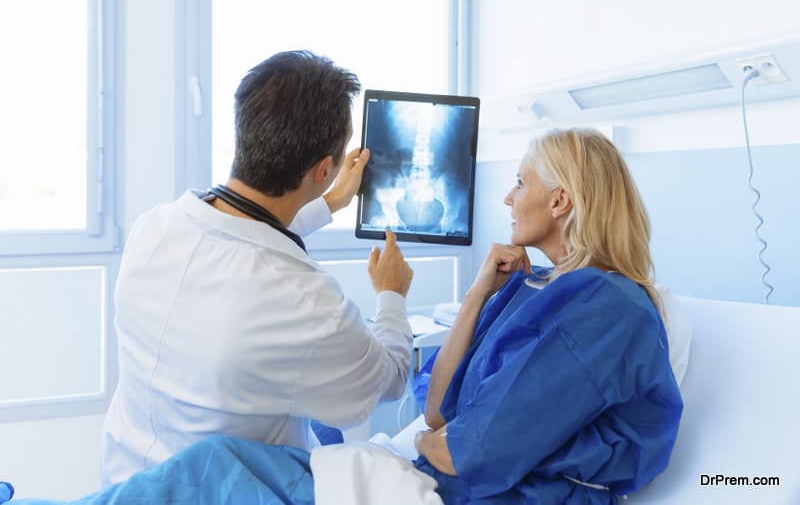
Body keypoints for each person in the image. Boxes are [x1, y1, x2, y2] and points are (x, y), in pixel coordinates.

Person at [99, 50, 414, 488]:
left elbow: (241, 237)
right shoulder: (306, 300)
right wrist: (392, 296)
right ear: (324, 168)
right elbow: (385, 383)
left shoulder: (154, 226)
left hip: (125, 484)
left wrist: (329, 202)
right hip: (220, 494)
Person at [412, 128, 683, 503]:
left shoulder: (610, 308)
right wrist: (477, 295)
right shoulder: (528, 287)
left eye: (520, 184)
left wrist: (421, 444)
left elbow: (470, 451)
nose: (508, 198)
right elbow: (439, 412)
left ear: (560, 201)